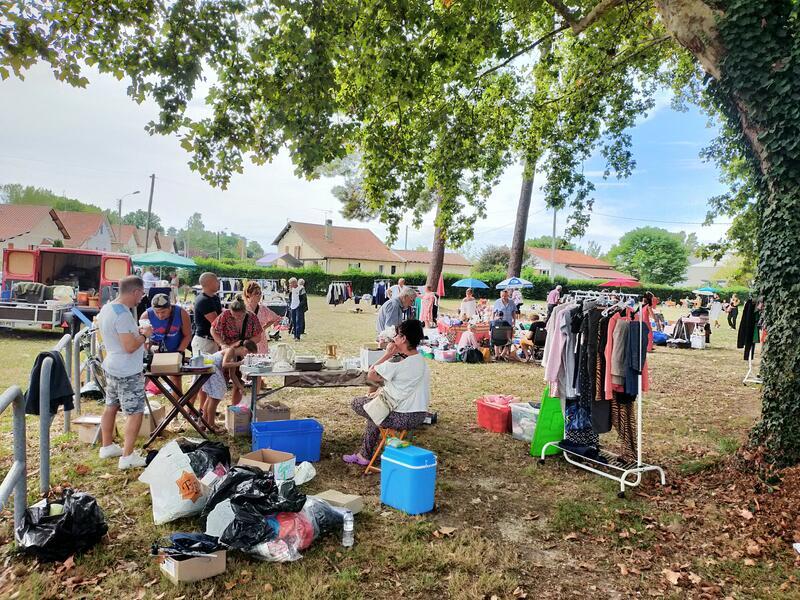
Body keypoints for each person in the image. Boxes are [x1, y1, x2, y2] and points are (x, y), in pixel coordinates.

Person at [344, 319, 430, 466]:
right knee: (374, 410)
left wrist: (388, 354)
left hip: (403, 416)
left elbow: (371, 374)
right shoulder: (421, 360)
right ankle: (364, 455)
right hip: (419, 414)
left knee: (357, 403)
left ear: (403, 338)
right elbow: (402, 386)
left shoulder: (399, 363)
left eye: (396, 335)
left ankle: (364, 455)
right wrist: (380, 392)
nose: (394, 338)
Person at [97, 275, 151, 469]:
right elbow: (129, 346)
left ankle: (107, 446)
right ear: (135, 292)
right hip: (127, 369)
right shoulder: (123, 315)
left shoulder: (107, 308)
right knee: (135, 412)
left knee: (111, 405)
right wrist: (145, 335)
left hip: (112, 365)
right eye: (141, 294)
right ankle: (127, 456)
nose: (141, 298)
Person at [201, 340, 258, 433]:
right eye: (249, 355)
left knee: (210, 397)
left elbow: (232, 375)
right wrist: (240, 363)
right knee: (215, 398)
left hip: (211, 369)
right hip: (211, 368)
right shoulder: (230, 350)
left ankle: (204, 423)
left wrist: (241, 388)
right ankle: (211, 425)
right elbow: (224, 364)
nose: (247, 358)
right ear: (245, 350)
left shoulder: (234, 357)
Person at [146, 293, 192, 393]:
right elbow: (143, 338)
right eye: (157, 312)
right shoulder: (146, 315)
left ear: (170, 307)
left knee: (176, 380)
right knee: (146, 379)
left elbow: (187, 335)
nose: (160, 315)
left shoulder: (181, 313)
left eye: (163, 312)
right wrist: (148, 350)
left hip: (175, 350)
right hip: (155, 353)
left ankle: (178, 402)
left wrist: (179, 352)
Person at [243, 281, 281, 355]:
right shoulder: (243, 309)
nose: (259, 295)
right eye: (256, 293)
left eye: (260, 293)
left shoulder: (263, 309)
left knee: (262, 359)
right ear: (248, 294)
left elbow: (275, 318)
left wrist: (263, 328)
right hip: (247, 340)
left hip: (261, 340)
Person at [288, 277, 303, 341]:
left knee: (298, 322)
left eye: (290, 283)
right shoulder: (291, 289)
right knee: (293, 322)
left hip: (298, 308)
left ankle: (298, 337)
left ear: (294, 283)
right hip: (292, 307)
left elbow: (304, 299)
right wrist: (290, 305)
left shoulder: (301, 288)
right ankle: (294, 335)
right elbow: (290, 298)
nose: (290, 285)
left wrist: (299, 306)